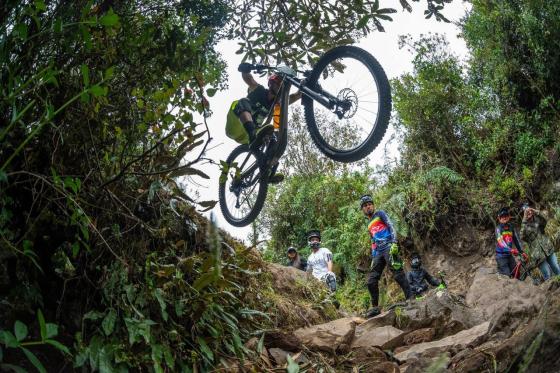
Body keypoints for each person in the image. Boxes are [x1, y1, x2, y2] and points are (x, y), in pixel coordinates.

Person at [360, 195, 412, 318]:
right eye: (365, 206)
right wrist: (373, 257)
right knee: (371, 280)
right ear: (362, 209)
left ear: (373, 205)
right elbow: (373, 240)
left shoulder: (380, 214)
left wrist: (394, 242)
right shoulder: (368, 224)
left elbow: (391, 225)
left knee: (397, 272)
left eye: (369, 204)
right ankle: (375, 308)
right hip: (378, 251)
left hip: (388, 245)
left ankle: (410, 298)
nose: (368, 207)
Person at [520, 204, 560, 280]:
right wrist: (524, 219)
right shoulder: (524, 226)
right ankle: (550, 291)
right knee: (547, 274)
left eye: (529, 211)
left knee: (556, 267)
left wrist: (535, 211)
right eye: (526, 212)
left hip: (548, 249)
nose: (528, 213)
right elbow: (521, 235)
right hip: (538, 256)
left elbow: (546, 219)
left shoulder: (538, 220)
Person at [495, 207, 527, 277]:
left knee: (517, 273)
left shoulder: (511, 227)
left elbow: (516, 240)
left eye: (506, 216)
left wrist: (522, 252)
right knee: (507, 275)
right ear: (499, 218)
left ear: (509, 217)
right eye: (502, 217)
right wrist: (511, 250)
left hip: (509, 255)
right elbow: (501, 243)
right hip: (501, 256)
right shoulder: (498, 229)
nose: (504, 218)